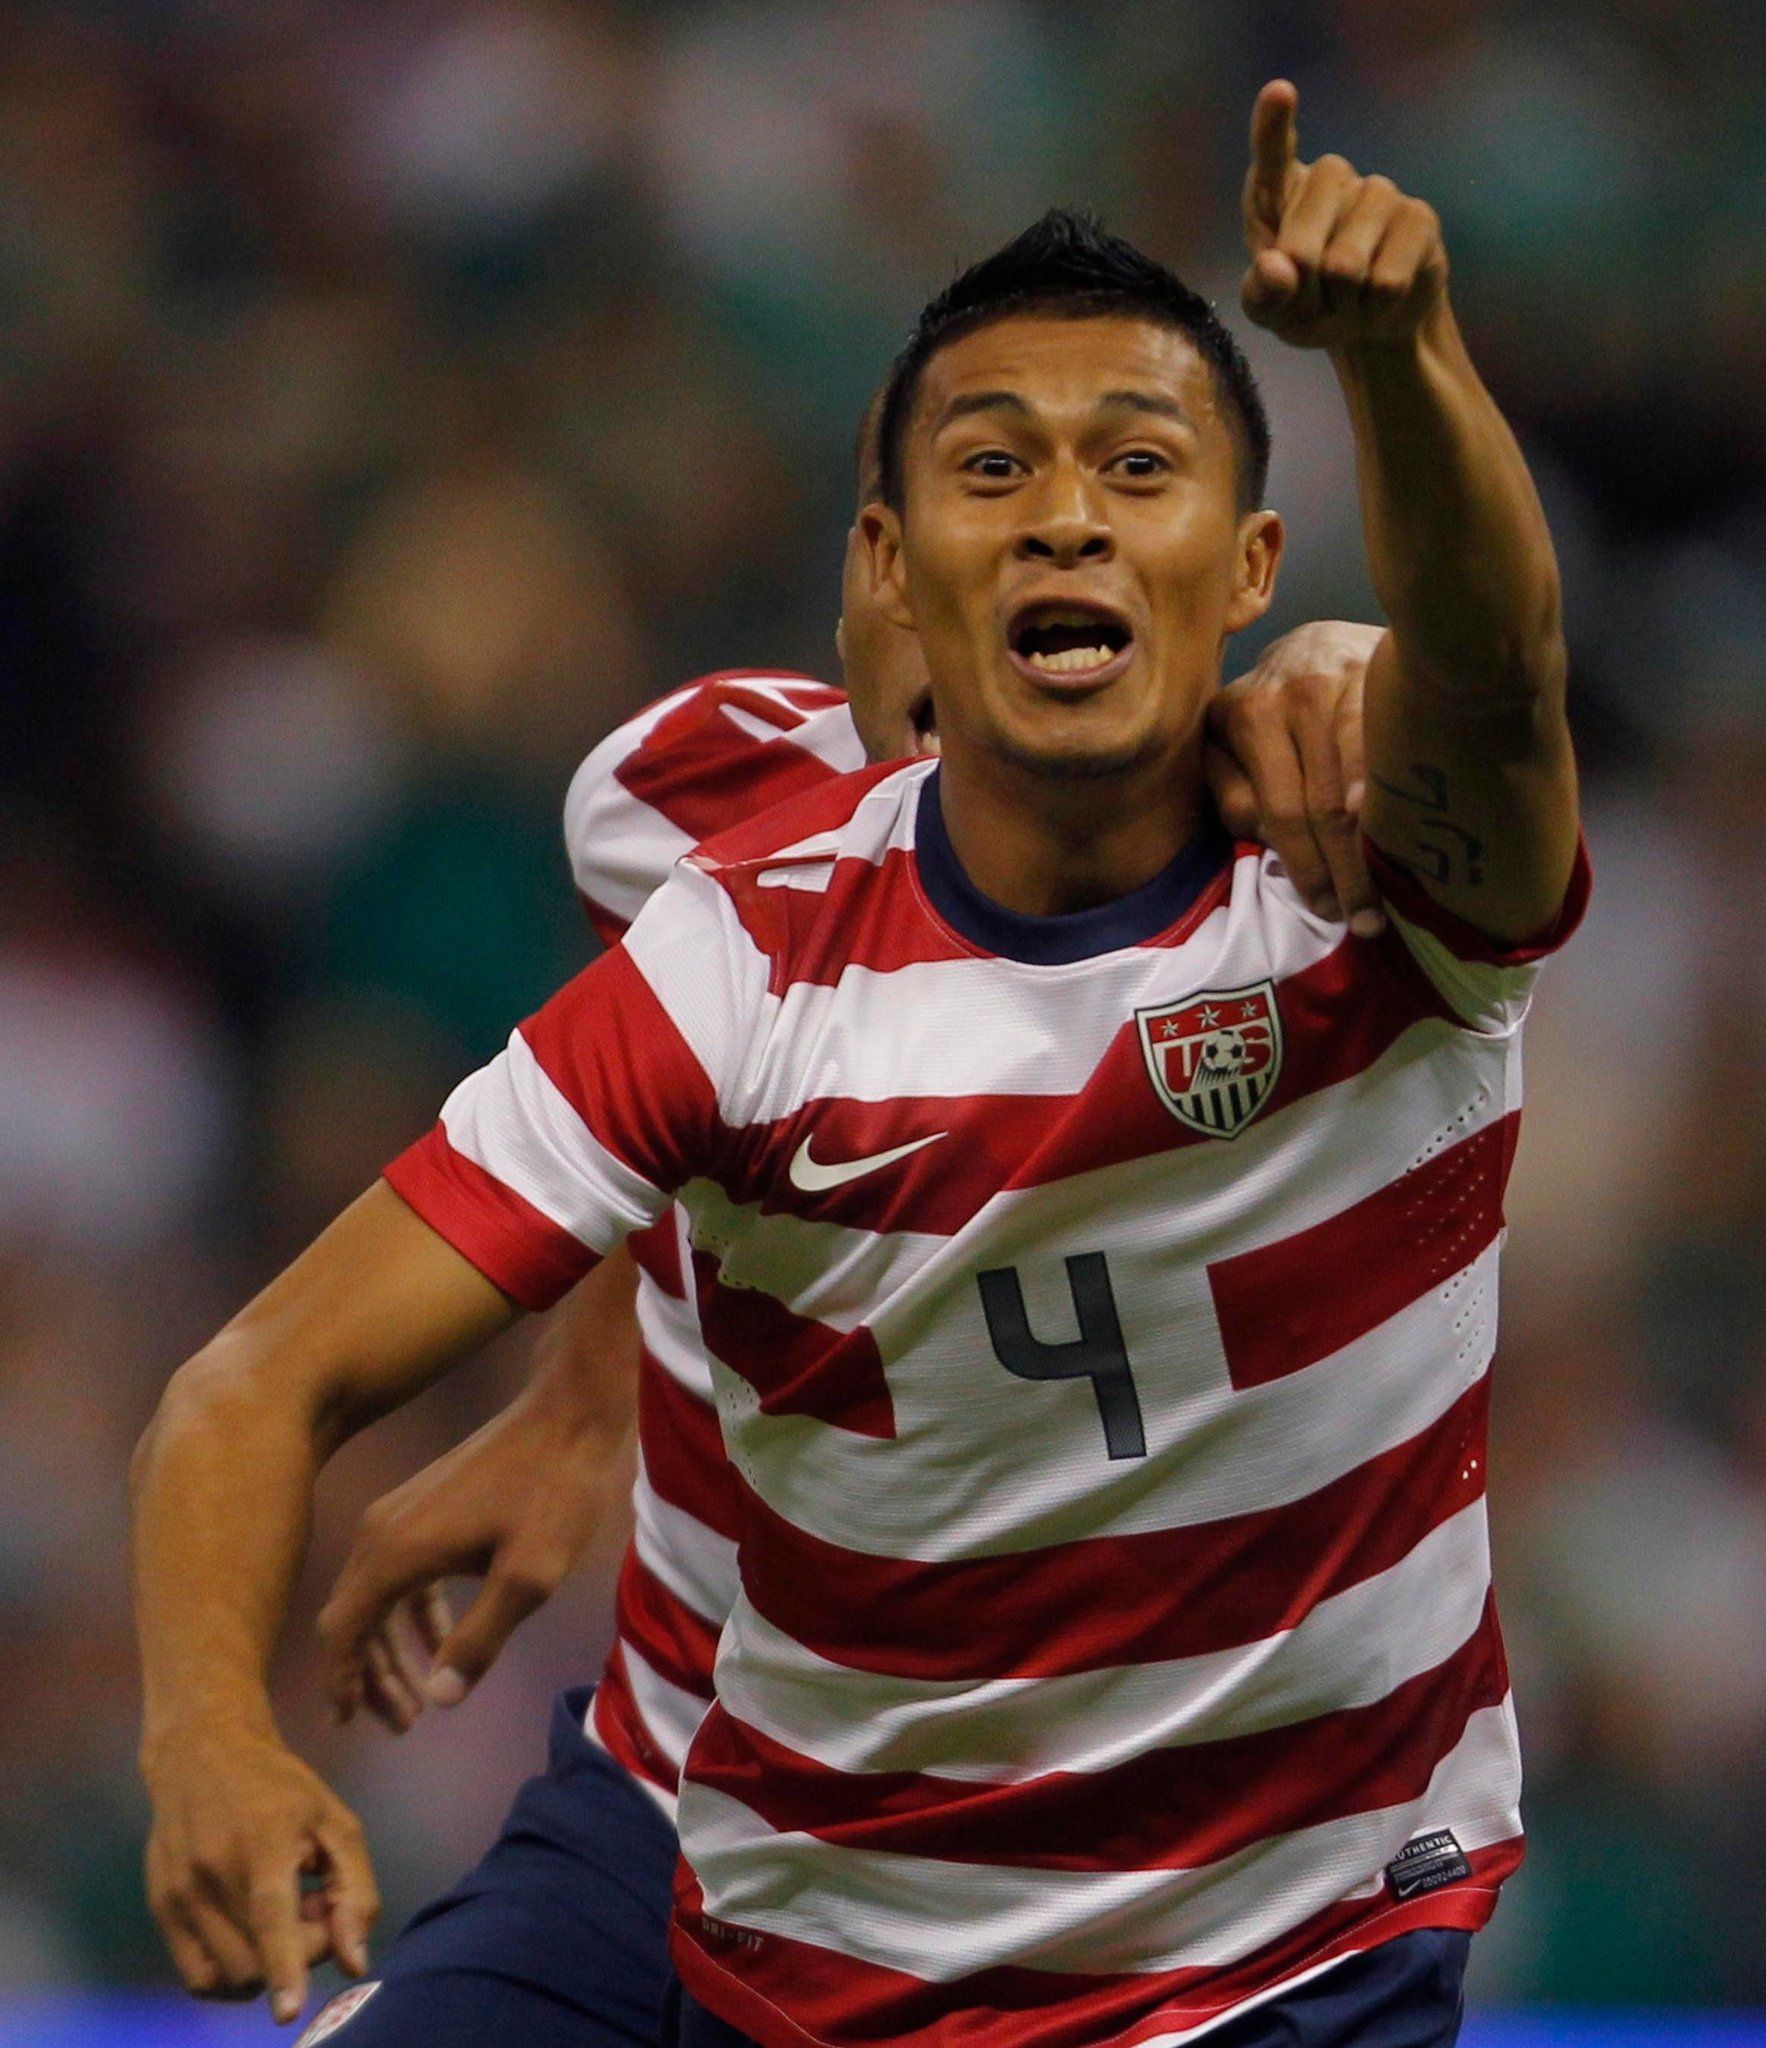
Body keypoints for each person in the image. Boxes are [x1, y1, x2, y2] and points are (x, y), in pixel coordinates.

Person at [133, 79, 1583, 2048]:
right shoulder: (699, 854)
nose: (1059, 517)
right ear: (883, 561)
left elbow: (1492, 679)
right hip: (722, 1827)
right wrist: (569, 1416)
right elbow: (332, 1337)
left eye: (1126, 469)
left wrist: (1403, 379)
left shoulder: (1348, 860)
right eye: (986, 474)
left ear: (1241, 571)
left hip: (1267, 1954)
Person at [134, 459, 1382, 2047]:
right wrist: (583, 1404)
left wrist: (1344, 668)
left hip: (1074, 1915)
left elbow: (1469, 719)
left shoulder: (1284, 859)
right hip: (670, 1793)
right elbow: (649, 1098)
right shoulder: (678, 800)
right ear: (868, 569)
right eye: (938, 534)